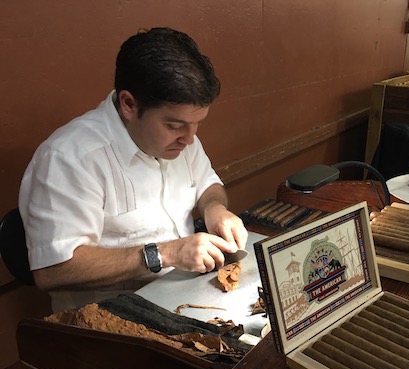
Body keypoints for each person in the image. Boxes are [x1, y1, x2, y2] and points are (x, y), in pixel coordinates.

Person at [19, 27, 248, 312]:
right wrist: (166, 254)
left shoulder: (183, 140)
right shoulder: (68, 159)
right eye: (174, 125)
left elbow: (207, 185)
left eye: (197, 124)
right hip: (107, 320)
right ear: (129, 104)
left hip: (184, 295)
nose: (189, 139)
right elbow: (53, 270)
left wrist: (215, 209)